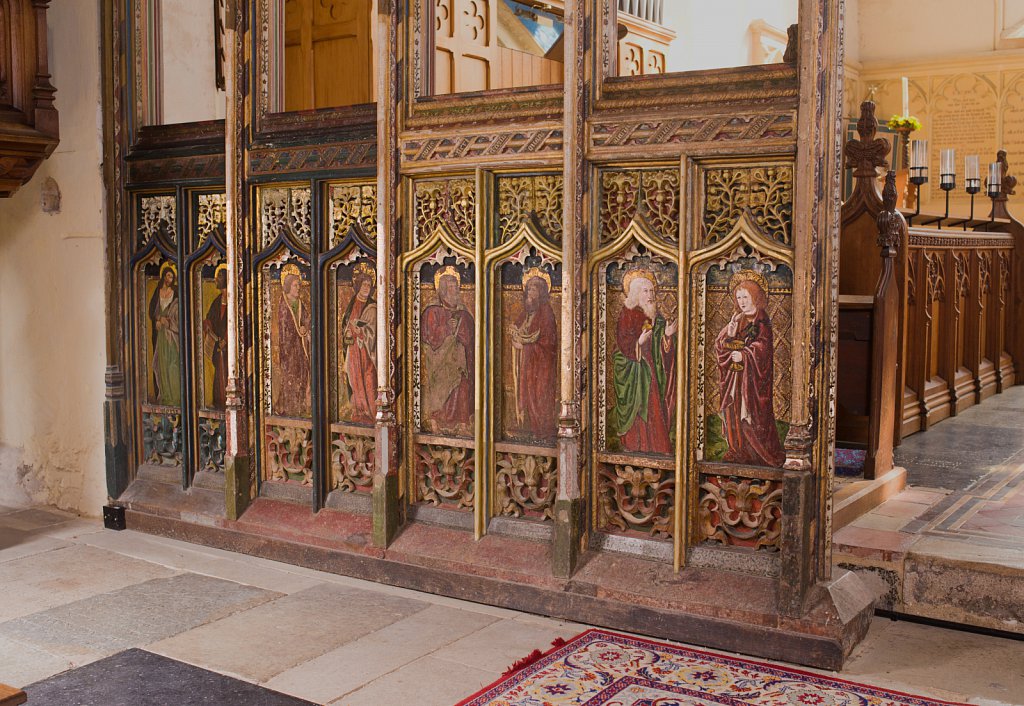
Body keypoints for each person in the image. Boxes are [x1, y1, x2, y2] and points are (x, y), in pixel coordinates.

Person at [714, 271, 786, 467]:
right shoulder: (737, 318)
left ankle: (759, 453)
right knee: (734, 412)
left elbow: (763, 349)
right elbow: (719, 346)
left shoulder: (762, 320)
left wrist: (745, 355)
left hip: (753, 383)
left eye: (745, 297)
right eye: (739, 298)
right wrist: (728, 336)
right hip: (735, 379)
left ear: (755, 296)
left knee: (753, 416)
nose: (742, 301)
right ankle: (738, 449)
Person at [609, 268, 677, 454]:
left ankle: (657, 448)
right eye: (646, 291)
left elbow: (660, 340)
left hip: (651, 369)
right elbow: (623, 344)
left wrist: (667, 336)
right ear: (636, 293)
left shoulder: (654, 314)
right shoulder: (627, 314)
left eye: (652, 291)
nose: (650, 295)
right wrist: (638, 344)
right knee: (641, 407)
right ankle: (635, 446)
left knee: (655, 408)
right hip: (636, 371)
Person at [421, 266, 474, 432]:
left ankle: (462, 423)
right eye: (451, 287)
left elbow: (472, 336)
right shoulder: (432, 310)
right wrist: (447, 329)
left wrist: (462, 330)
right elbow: (428, 336)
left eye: (456, 286)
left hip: (460, 360)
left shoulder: (463, 311)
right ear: (442, 289)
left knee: (462, 386)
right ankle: (437, 421)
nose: (455, 290)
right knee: (442, 390)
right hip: (440, 361)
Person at [509, 268, 558, 440]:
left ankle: (543, 429)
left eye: (535, 289)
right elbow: (517, 327)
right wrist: (515, 333)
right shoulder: (528, 310)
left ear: (542, 292)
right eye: (529, 288)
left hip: (542, 364)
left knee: (540, 394)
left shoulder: (546, 312)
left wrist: (525, 347)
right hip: (528, 364)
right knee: (528, 392)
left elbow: (548, 343)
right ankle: (528, 426)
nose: (531, 292)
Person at [341, 261, 377, 423]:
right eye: (363, 285)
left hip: (367, 351)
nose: (366, 288)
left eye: (369, 285)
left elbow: (375, 330)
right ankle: (359, 410)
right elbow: (345, 323)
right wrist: (348, 332)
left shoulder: (372, 306)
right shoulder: (352, 304)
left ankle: (372, 412)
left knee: (368, 378)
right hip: (353, 349)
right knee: (354, 379)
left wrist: (361, 331)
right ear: (357, 286)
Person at [275, 263, 311, 417]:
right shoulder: (284, 306)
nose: (298, 288)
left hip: (301, 349)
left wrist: (306, 329)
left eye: (299, 286)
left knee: (303, 377)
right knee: (291, 379)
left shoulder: (300, 304)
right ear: (288, 286)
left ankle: (301, 407)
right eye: (296, 285)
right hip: (290, 352)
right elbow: (284, 331)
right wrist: (298, 331)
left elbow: (307, 321)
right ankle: (290, 409)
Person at [149, 261, 181, 407]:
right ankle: (165, 396)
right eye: (168, 276)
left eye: (172, 277)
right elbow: (152, 311)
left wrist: (167, 322)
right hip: (160, 335)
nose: (170, 279)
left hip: (172, 335)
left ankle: (175, 397)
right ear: (163, 276)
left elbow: (178, 315)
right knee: (160, 364)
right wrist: (157, 319)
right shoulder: (158, 292)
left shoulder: (175, 294)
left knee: (172, 364)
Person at [202, 263, 228, 409]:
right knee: (219, 371)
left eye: (219, 276)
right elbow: (210, 318)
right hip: (218, 344)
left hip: (229, 344)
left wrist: (226, 339)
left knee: (226, 371)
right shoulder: (218, 300)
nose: (216, 279)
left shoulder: (232, 298)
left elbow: (236, 321)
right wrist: (207, 324)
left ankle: (226, 401)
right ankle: (219, 402)